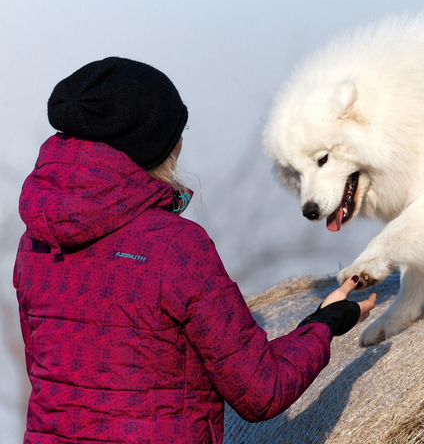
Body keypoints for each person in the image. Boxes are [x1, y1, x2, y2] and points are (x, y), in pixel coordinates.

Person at [13, 57, 377, 443]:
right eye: (178, 131)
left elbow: (50, 375)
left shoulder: (35, 242)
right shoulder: (177, 248)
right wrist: (323, 324)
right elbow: (261, 392)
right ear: (154, 145)